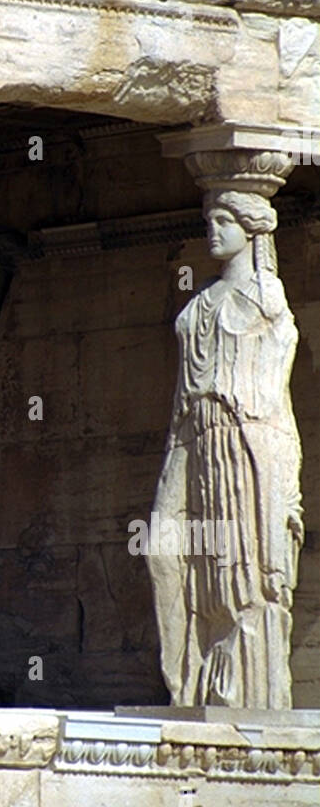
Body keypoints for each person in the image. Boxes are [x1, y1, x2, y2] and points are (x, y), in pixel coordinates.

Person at [150, 190, 303, 709]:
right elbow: (180, 398)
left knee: (242, 575)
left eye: (224, 220)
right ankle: (188, 681)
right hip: (194, 440)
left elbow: (274, 395)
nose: (213, 230)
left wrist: (283, 482)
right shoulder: (198, 306)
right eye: (209, 220)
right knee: (163, 551)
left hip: (246, 444)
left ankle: (243, 698)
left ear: (252, 230)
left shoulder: (268, 302)